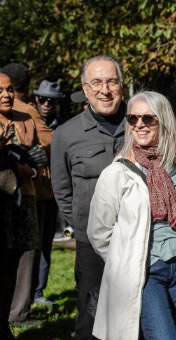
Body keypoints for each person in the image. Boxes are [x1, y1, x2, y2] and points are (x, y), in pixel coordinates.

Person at [87, 91, 176, 339]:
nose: (139, 125)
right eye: (132, 119)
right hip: (146, 272)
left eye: (148, 119)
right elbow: (99, 232)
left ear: (163, 120)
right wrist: (126, 259)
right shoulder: (116, 173)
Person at [51, 55, 126, 340]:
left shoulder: (142, 125)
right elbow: (62, 190)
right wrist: (84, 227)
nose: (104, 90)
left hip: (139, 239)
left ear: (122, 85)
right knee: (90, 315)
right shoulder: (66, 135)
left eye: (111, 81)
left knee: (137, 313)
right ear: (85, 88)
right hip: (91, 243)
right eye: (96, 82)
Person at [0, 64, 52, 323]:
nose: (6, 95)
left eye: (9, 90)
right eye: (0, 91)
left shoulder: (25, 119)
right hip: (3, 198)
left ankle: (14, 316)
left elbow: (39, 158)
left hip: (27, 197)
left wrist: (28, 169)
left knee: (22, 256)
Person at [31, 80, 66, 308]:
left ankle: (38, 292)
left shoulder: (64, 128)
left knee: (45, 243)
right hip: (31, 192)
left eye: (50, 101)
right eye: (42, 99)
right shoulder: (27, 122)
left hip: (53, 194)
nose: (45, 104)